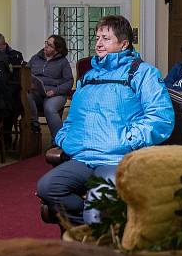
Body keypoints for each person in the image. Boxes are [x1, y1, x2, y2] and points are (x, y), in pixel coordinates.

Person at [37, 15, 174, 226]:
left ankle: (96, 242)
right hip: (82, 156)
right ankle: (89, 231)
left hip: (117, 159)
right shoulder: (88, 77)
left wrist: (126, 140)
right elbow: (72, 118)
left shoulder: (143, 73)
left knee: (97, 210)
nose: (99, 43)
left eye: (106, 38)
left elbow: (160, 119)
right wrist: (65, 138)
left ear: (124, 43)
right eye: (97, 37)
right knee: (48, 188)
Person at [27, 35, 73, 138]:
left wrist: (55, 91)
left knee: (49, 108)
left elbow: (69, 82)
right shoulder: (35, 58)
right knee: (26, 96)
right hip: (37, 92)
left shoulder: (63, 62)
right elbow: (26, 73)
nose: (46, 46)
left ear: (57, 50)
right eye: (46, 43)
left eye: (50, 45)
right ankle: (34, 124)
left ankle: (58, 140)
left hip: (55, 94)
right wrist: (29, 83)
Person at [0, 32, 25, 145]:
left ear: (4, 45)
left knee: (8, 104)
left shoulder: (15, 56)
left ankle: (6, 138)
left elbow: (16, 80)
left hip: (11, 92)